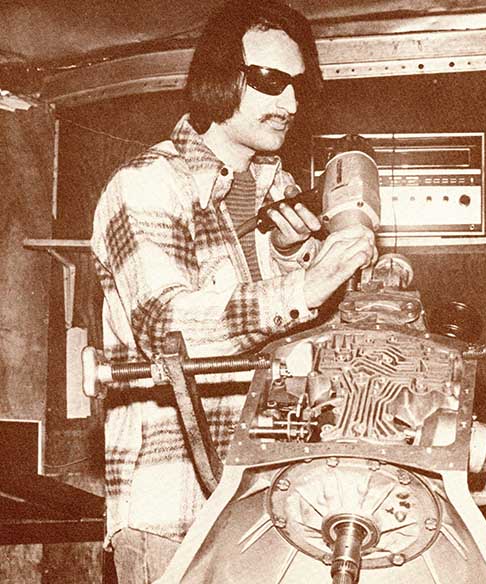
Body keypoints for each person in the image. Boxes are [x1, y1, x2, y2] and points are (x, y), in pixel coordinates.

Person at [91, 1, 376, 582]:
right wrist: (304, 284)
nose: (291, 103)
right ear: (220, 78)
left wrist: (305, 266)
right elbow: (167, 328)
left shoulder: (279, 199)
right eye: (271, 81)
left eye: (299, 85)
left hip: (269, 501)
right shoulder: (147, 186)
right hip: (173, 511)